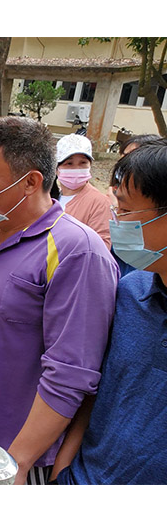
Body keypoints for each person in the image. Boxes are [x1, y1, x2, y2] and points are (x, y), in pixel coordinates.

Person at [0, 116, 120, 484]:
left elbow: (69, 373)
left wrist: (18, 462)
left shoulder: (76, 252)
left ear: (30, 182)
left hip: (10, 453)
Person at [52, 139, 167, 484]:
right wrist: (63, 469)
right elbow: (99, 391)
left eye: (127, 212)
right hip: (82, 479)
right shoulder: (130, 293)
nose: (116, 222)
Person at [50, 134, 112, 249]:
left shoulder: (99, 202)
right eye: (69, 163)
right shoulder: (49, 198)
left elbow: (101, 247)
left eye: (83, 163)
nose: (76, 168)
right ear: (57, 168)